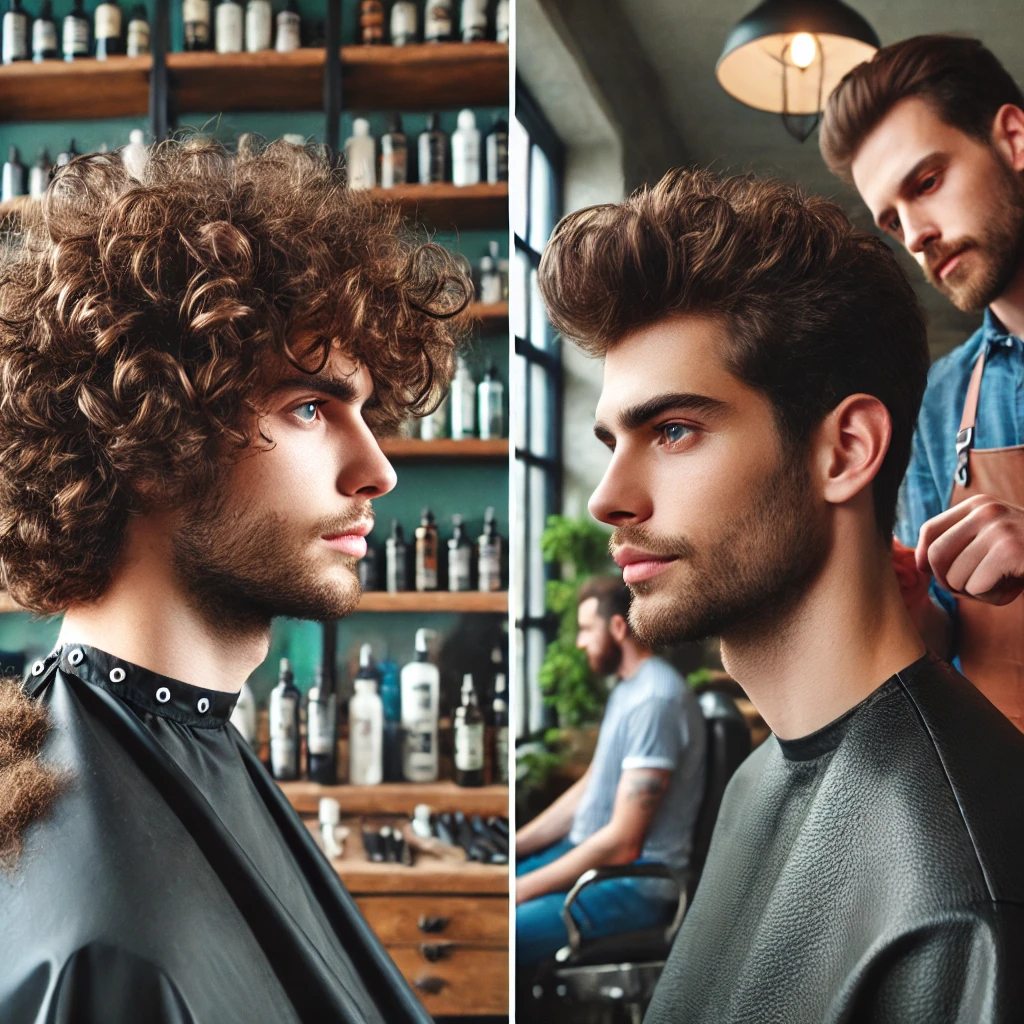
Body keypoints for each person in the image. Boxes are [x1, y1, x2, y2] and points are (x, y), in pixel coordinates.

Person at [537, 168, 1024, 1022]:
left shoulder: (963, 897)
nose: (607, 498)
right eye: (613, 440)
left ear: (844, 451)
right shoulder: (758, 781)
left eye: (674, 430)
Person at [0, 137, 469, 1023]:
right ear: (146, 432)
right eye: (309, 407)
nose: (378, 470)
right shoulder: (110, 945)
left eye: (364, 413)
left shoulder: (181, 736)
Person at [821, 36, 1024, 730]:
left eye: (927, 183)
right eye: (890, 220)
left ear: (1014, 139)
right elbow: (944, 640)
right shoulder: (944, 394)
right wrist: (904, 603)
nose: (913, 235)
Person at [515, 575, 706, 973]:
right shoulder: (627, 690)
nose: (580, 642)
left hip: (632, 885)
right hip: (594, 862)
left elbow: (623, 843)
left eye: (587, 630)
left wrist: (522, 889)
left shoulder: (655, 700)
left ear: (618, 628)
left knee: (502, 928)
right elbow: (591, 786)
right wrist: (518, 844)